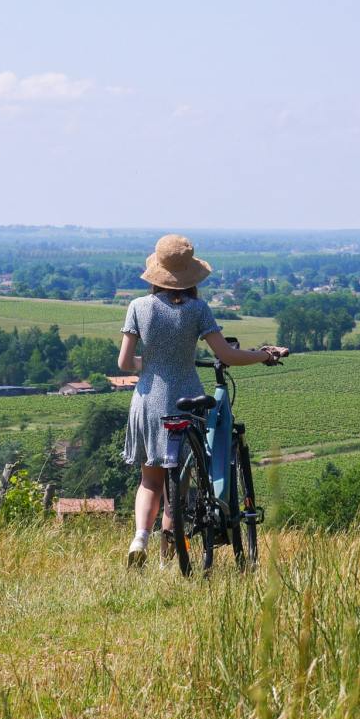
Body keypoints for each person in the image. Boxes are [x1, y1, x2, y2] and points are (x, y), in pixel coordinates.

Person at [117, 234, 288, 567]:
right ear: (190, 276)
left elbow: (124, 363)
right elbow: (226, 354)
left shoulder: (137, 307)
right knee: (176, 489)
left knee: (149, 480)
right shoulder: (197, 310)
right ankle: (169, 559)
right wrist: (262, 355)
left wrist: (149, 365)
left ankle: (140, 537)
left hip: (148, 400)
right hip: (185, 400)